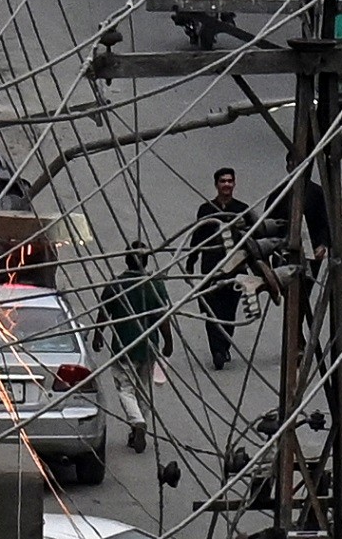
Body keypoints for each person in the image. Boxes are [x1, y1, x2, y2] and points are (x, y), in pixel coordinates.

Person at [99, 243, 174, 451]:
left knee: (126, 389)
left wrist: (98, 335)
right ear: (147, 261)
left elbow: (104, 312)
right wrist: (169, 342)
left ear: (126, 260)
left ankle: (137, 423)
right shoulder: (155, 285)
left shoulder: (116, 285)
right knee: (144, 390)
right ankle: (137, 427)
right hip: (149, 348)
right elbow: (163, 316)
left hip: (124, 347)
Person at [186, 169, 254, 370]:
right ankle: (217, 350)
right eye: (223, 181)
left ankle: (224, 346)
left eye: (229, 181)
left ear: (234, 184)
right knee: (210, 310)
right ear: (216, 185)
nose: (226, 185)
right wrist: (191, 260)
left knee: (228, 312)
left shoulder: (242, 210)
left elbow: (253, 240)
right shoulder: (206, 210)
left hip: (235, 270)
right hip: (211, 269)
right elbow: (197, 237)